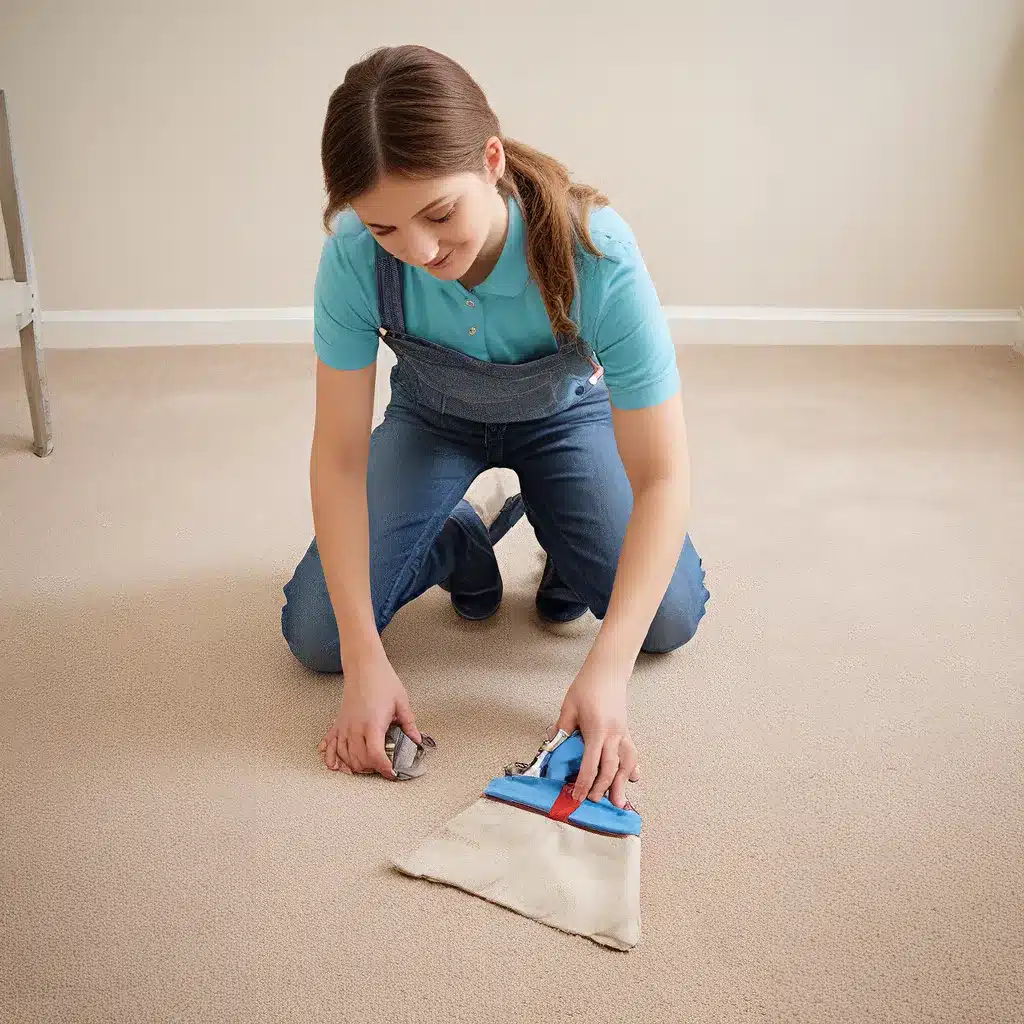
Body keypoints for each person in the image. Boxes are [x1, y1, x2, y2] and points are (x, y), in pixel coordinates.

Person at [282, 44, 709, 810]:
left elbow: (663, 475)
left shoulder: (596, 253)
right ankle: (457, 537)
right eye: (385, 229)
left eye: (438, 213)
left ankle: (563, 534)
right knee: (318, 636)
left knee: (666, 620)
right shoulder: (350, 259)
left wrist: (605, 673)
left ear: (490, 160)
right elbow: (339, 459)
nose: (420, 250)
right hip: (432, 419)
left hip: (561, 420)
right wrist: (364, 655)